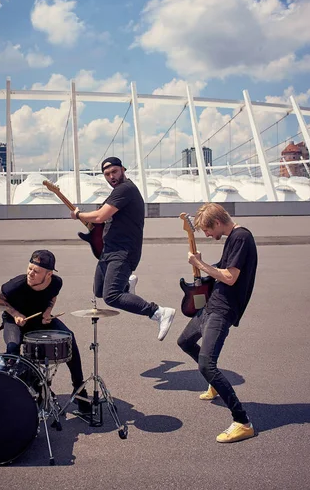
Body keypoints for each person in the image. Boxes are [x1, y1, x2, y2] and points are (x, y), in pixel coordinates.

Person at [70, 156, 175, 341]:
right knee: (99, 290)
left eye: (114, 172)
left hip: (123, 252)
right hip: (109, 251)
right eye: (107, 174)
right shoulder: (117, 192)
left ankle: (158, 312)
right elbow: (101, 217)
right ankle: (127, 283)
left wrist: (79, 214)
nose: (111, 176)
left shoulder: (126, 189)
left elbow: (101, 216)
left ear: (123, 170)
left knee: (112, 296)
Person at [177, 203, 257, 443]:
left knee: (207, 365)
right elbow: (222, 268)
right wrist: (202, 263)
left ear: (218, 223)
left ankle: (242, 422)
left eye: (207, 230)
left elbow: (230, 278)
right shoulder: (233, 238)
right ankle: (215, 385)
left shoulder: (241, 237)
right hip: (212, 303)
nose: (207, 235)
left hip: (223, 309)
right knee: (185, 341)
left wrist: (200, 264)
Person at [0, 249, 90, 413]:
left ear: (49, 274)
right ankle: (19, 395)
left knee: (69, 338)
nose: (30, 273)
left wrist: (46, 312)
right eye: (29, 268)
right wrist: (15, 314)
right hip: (14, 321)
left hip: (39, 319)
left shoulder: (56, 282)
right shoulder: (16, 285)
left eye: (36, 271)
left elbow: (52, 296)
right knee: (12, 349)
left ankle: (79, 389)